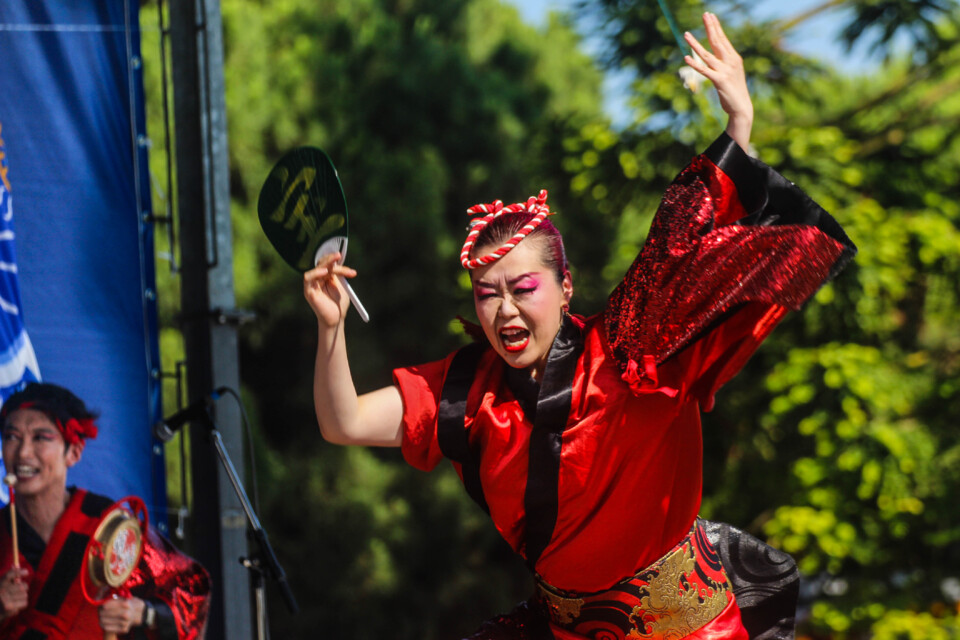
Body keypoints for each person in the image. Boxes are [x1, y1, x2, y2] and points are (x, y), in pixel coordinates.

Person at [303, 13, 856, 640]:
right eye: (487, 294)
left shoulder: (635, 346)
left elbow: (688, 241)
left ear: (565, 288)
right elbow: (344, 422)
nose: (504, 310)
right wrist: (331, 328)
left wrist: (739, 127)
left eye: (523, 289)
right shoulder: (464, 392)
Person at [0, 382, 211, 639]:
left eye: (40, 438)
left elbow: (192, 590)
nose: (23, 453)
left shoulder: (108, 524)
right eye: (11, 437)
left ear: (74, 452)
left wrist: (145, 614)